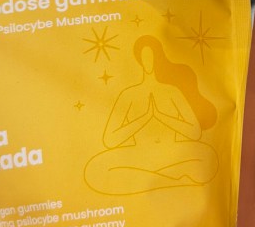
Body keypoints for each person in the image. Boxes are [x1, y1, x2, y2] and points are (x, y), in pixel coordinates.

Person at [84, 36, 218, 195]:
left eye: (152, 56)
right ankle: (170, 180)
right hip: (139, 157)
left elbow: (195, 132)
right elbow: (110, 140)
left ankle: (145, 180)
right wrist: (144, 119)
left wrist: (161, 117)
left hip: (173, 156)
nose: (149, 61)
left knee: (209, 157)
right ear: (139, 60)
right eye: (144, 57)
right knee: (95, 169)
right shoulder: (129, 94)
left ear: (158, 58)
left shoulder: (171, 91)